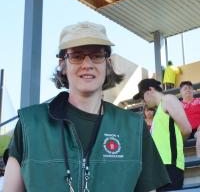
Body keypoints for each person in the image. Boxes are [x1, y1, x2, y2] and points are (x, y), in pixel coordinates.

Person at [3, 22, 170, 192]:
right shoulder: (30, 124)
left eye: (97, 55)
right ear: (62, 65)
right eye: (76, 56)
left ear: (108, 63)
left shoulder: (133, 127)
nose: (87, 64)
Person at [133, 78, 192, 191]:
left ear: (150, 89)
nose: (143, 101)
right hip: (160, 167)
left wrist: (177, 144)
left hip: (169, 165)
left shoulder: (168, 99)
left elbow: (187, 129)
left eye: (142, 96)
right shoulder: (159, 110)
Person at [179, 81, 200, 157]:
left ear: (193, 91)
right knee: (175, 139)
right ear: (180, 92)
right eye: (185, 88)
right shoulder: (177, 105)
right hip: (184, 130)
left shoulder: (199, 101)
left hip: (198, 129)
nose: (188, 90)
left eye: (190, 88)